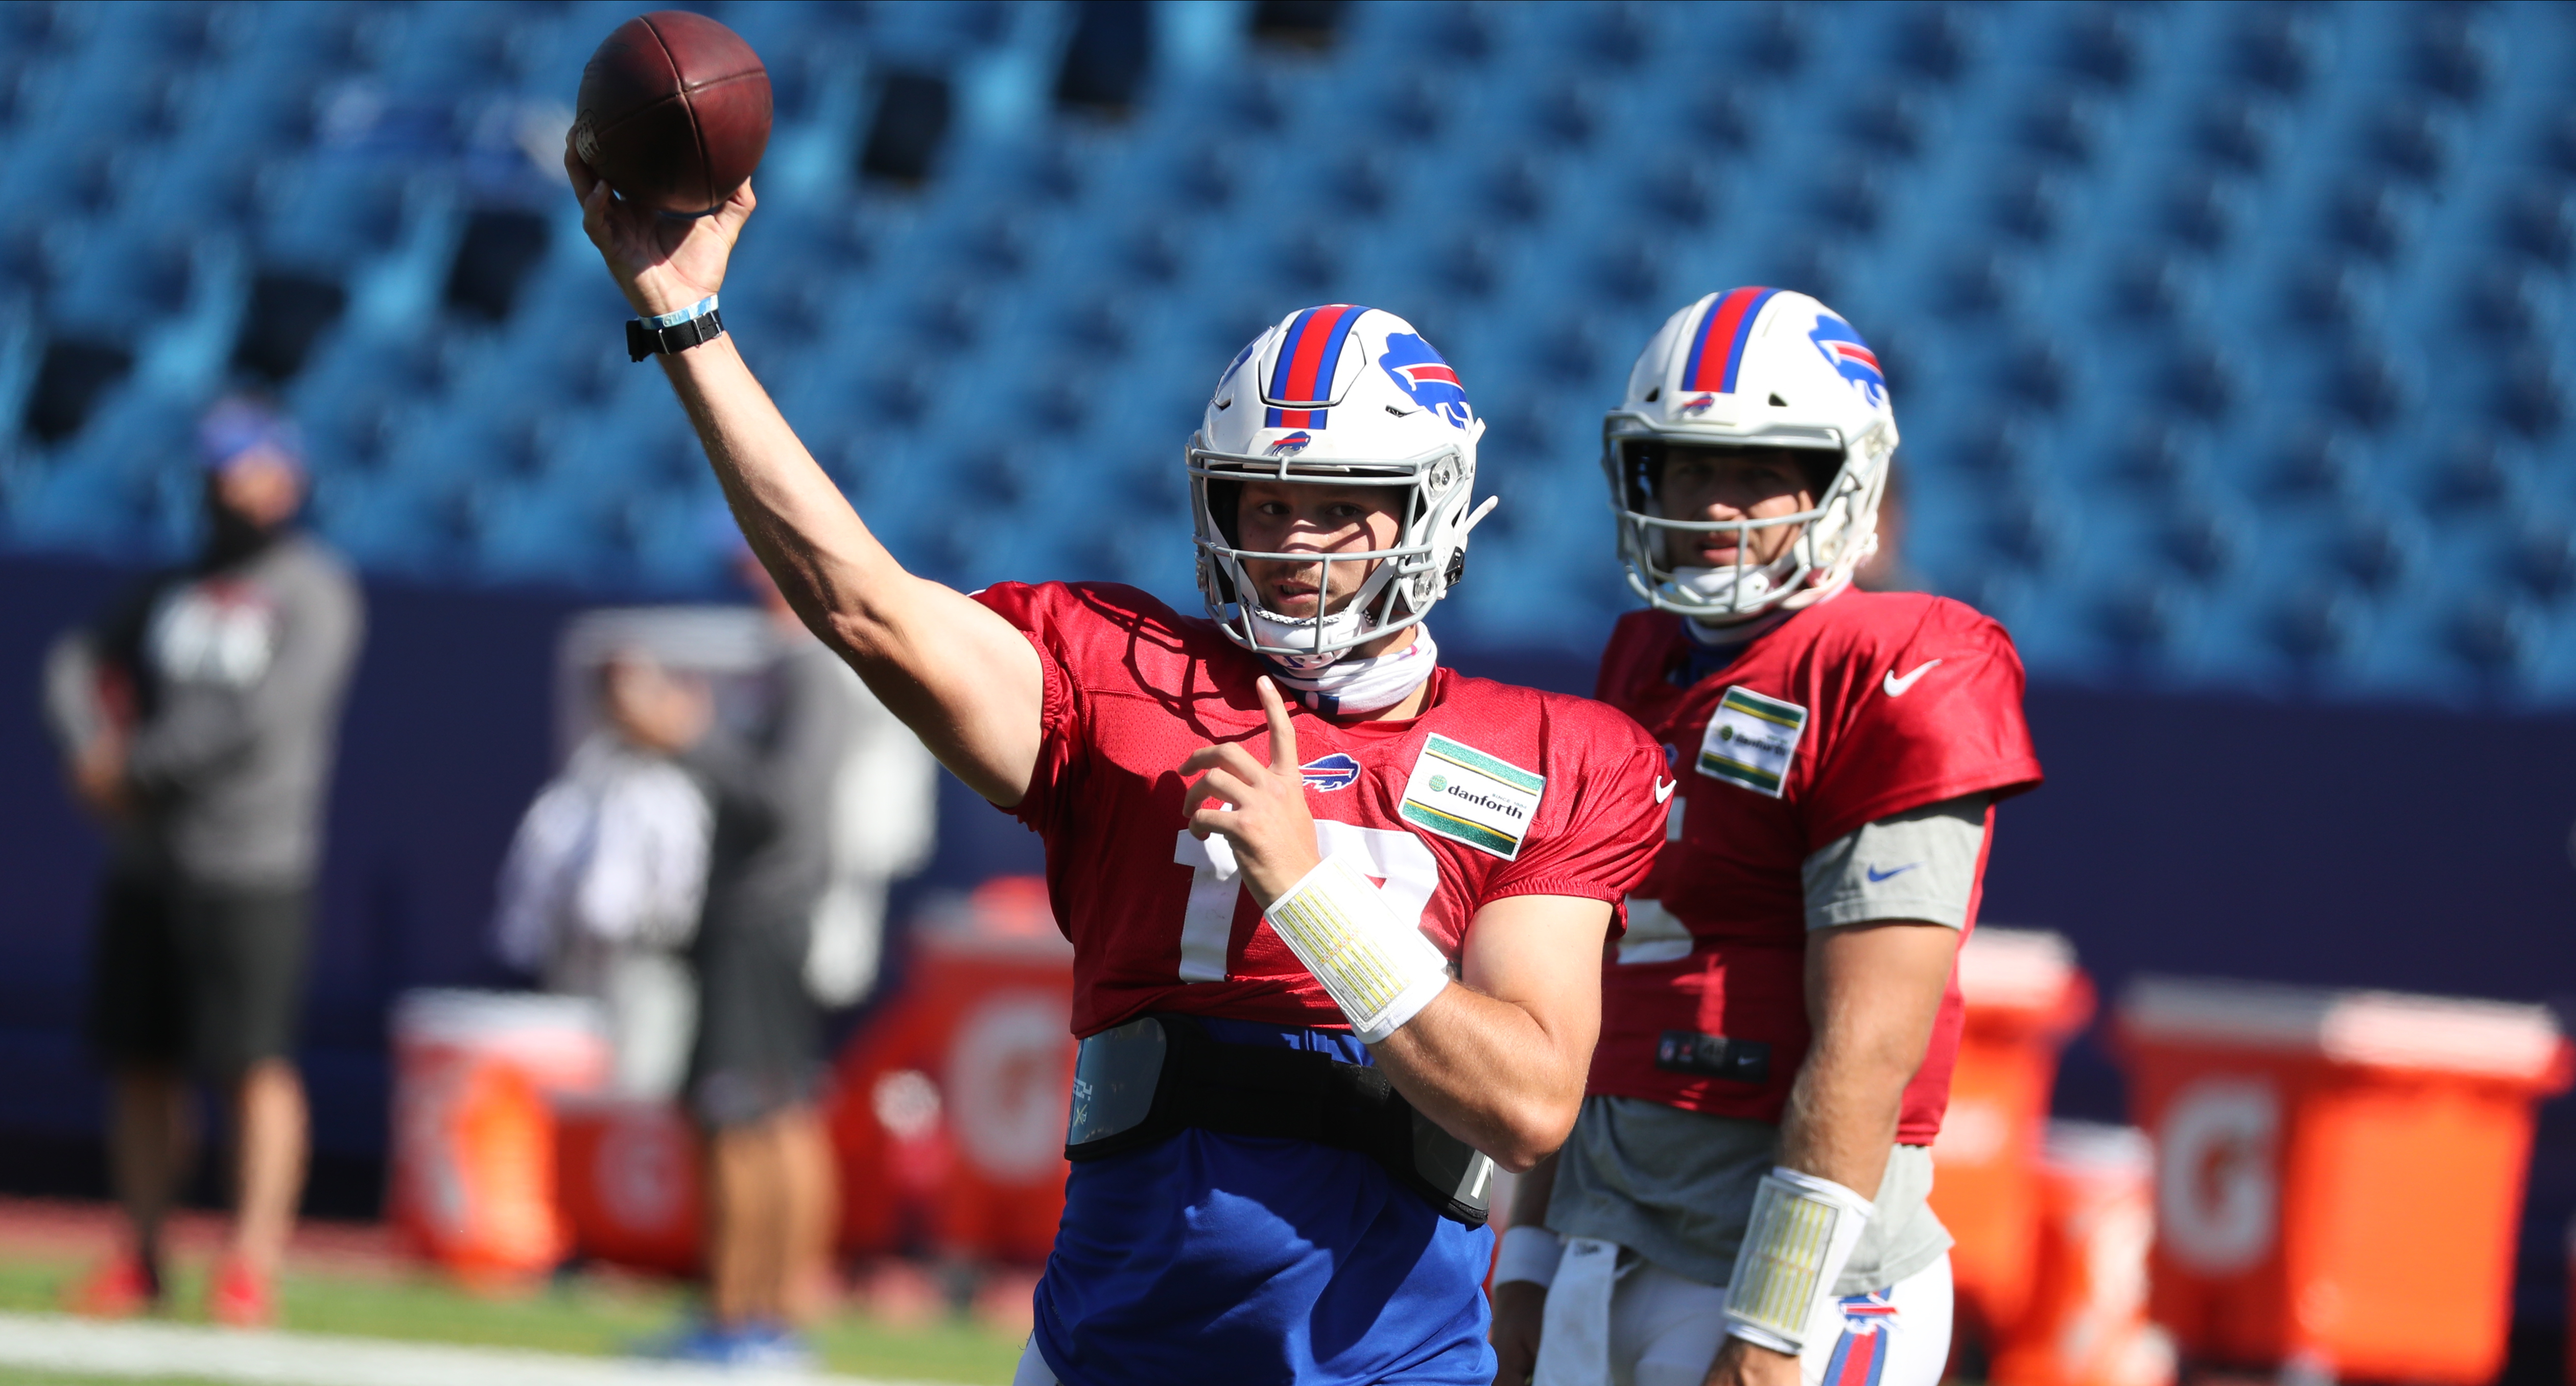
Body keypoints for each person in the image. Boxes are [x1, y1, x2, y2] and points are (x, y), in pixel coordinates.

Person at [567, 151, 1669, 1385]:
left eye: (1338, 504)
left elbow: (1526, 1101)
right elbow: (861, 605)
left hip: (1387, 1364)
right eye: (1261, 502)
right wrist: (687, 323)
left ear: (1427, 512)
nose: (1292, 539)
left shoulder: (1554, 754)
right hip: (1112, 1348)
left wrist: (1309, 898)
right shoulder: (1118, 674)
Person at [1486, 289, 2043, 1386]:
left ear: (1845, 483)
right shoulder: (1640, 663)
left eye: (1755, 470)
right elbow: (1583, 1004)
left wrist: (1772, 1327)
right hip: (1605, 1241)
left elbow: (1871, 1039)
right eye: (1687, 468)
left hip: (1789, 1280)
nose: (1712, 504)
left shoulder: (1906, 666)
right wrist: (1526, 1271)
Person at [45, 397, 366, 1327]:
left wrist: (132, 769)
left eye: (251, 469)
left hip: (253, 865)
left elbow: (262, 719)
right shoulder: (174, 585)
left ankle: (249, 1264)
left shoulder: (314, 589)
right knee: (141, 1062)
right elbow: (72, 660)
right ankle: (141, 1254)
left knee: (252, 1062)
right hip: (150, 862)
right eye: (223, 472)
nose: (235, 489)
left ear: (287, 478)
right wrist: (83, 748)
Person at [601, 549, 937, 1367]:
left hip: (763, 918)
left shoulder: (812, 668)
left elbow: (782, 803)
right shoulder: (801, 664)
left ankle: (747, 1314)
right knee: (773, 1110)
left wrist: (688, 737)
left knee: (744, 1115)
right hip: (769, 916)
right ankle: (759, 1315)